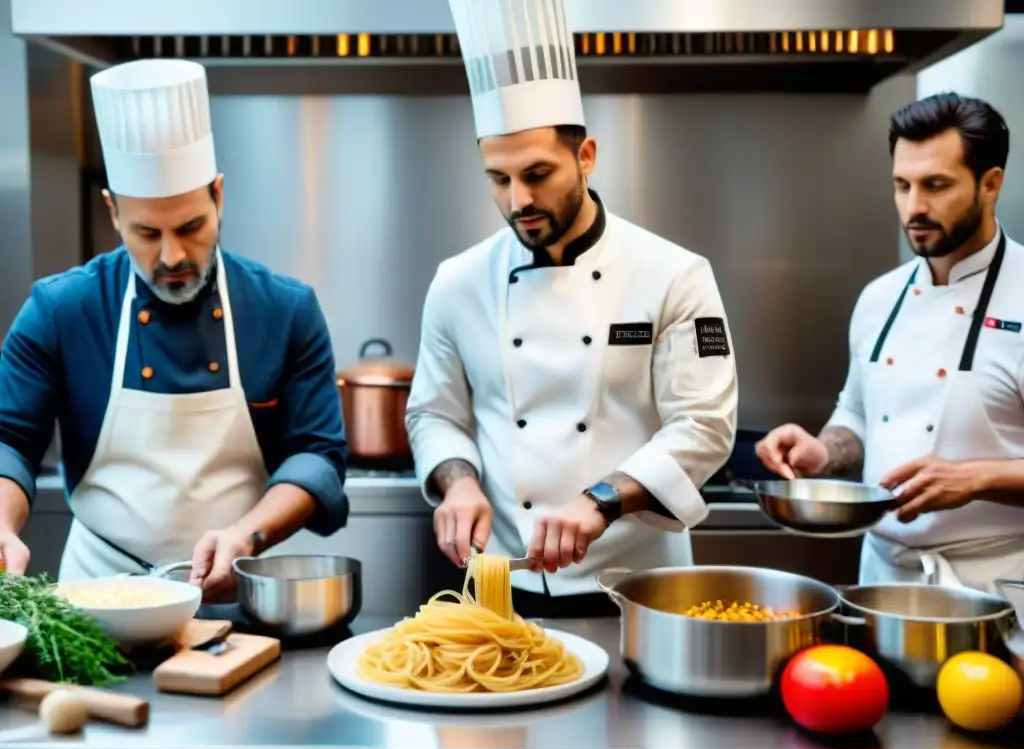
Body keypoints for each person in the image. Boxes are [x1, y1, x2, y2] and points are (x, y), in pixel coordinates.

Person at [405, 0, 738, 618]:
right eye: (498, 179)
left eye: (538, 173)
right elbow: (434, 414)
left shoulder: (673, 274)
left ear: (586, 157)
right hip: (501, 590)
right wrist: (459, 481)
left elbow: (704, 426)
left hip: (640, 592)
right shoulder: (457, 283)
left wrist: (602, 500)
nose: (519, 199)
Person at [0, 59, 348, 596]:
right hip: (98, 597)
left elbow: (317, 454)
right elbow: (10, 440)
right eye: (146, 232)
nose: (171, 255)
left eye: (191, 227)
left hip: (235, 594)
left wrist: (245, 535)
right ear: (113, 212)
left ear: (219, 196)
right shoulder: (60, 310)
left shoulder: (285, 309)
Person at [756, 93, 1024, 594]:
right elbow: (856, 416)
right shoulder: (879, 298)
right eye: (902, 185)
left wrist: (978, 478)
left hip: (1000, 586)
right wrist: (822, 451)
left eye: (936, 185)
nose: (914, 206)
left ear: (991, 184)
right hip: (884, 577)